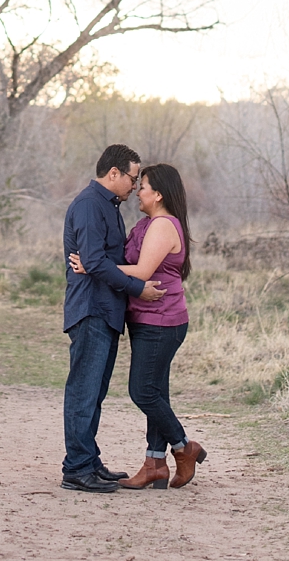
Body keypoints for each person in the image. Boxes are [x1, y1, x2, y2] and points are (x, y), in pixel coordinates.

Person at [70, 162, 203, 491]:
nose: (137, 192)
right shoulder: (147, 224)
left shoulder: (161, 225)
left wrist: (95, 265)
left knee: (142, 390)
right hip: (147, 319)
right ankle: (154, 464)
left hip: (162, 319)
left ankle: (184, 447)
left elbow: (142, 271)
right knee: (156, 391)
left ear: (157, 194)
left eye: (142, 186)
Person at [59, 144, 160, 494]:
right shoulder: (89, 205)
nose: (135, 186)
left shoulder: (107, 206)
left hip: (106, 312)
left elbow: (100, 260)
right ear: (113, 173)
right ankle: (75, 468)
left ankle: (88, 461)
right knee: (83, 392)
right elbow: (95, 261)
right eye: (133, 178)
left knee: (95, 392)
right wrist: (138, 289)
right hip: (91, 310)